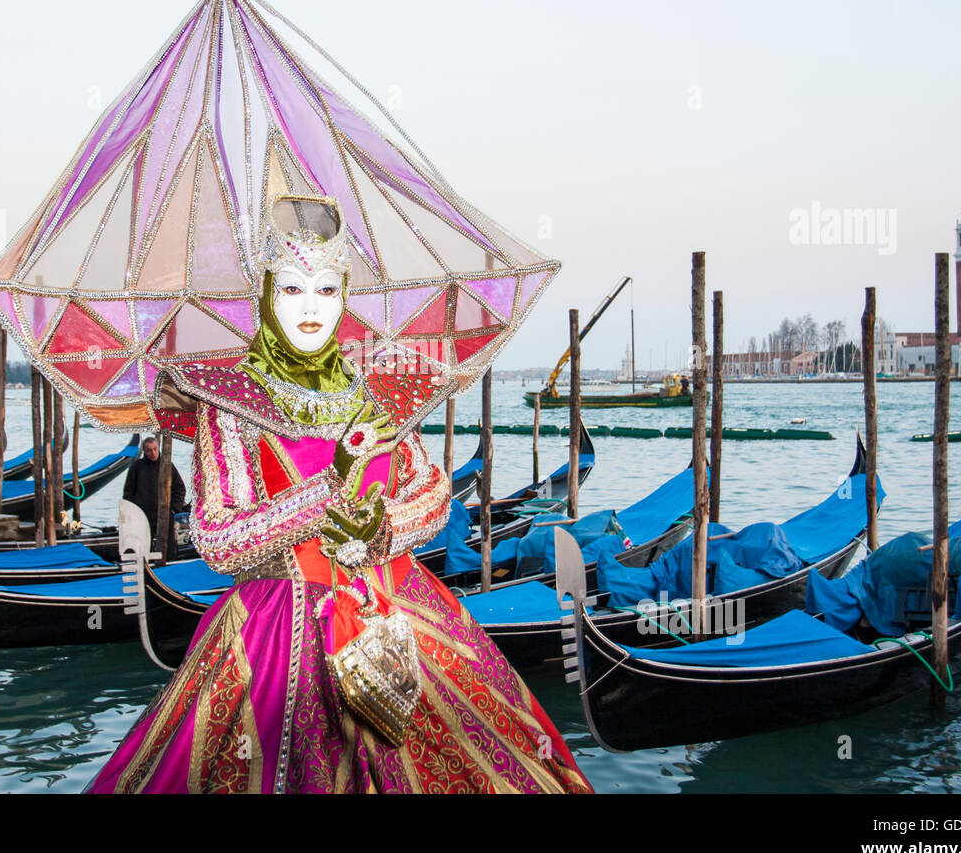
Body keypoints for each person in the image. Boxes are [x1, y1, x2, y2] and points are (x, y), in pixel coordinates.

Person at [88, 194, 591, 794]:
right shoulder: (231, 403)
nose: (311, 310)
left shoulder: (374, 389)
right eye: (293, 290)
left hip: (400, 612)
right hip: (281, 628)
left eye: (327, 291)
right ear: (266, 295)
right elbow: (219, 541)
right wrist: (328, 493)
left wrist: (377, 528)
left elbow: (431, 492)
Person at [122, 436, 188, 561]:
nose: (153, 453)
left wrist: (174, 509)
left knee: (169, 547)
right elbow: (128, 492)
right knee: (143, 545)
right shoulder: (137, 467)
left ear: (158, 448)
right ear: (144, 452)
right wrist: (132, 512)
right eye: (149, 450)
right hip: (143, 515)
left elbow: (180, 489)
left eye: (155, 449)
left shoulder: (167, 465)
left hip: (164, 514)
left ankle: (169, 566)